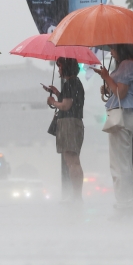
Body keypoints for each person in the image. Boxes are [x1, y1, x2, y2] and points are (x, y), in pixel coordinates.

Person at [94, 44, 133, 216]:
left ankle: (125, 203)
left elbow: (121, 92)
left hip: (122, 116)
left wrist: (107, 77)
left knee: (119, 164)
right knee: (124, 163)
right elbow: (118, 89)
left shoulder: (127, 65)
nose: (111, 52)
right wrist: (107, 84)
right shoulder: (130, 65)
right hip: (127, 115)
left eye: (113, 49)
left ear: (122, 49)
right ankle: (127, 202)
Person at [45, 57, 85, 205]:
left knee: (72, 161)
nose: (59, 69)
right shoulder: (76, 83)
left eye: (60, 66)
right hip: (75, 123)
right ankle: (76, 195)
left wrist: (53, 102)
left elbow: (66, 106)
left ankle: (76, 196)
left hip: (69, 124)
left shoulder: (70, 84)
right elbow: (70, 102)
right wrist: (57, 93)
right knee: (73, 160)